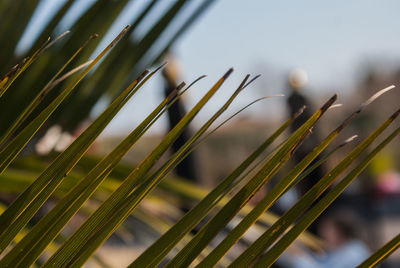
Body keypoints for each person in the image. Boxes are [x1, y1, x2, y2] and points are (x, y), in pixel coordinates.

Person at [277, 209, 370, 268]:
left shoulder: (355, 252)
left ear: (340, 231)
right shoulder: (335, 250)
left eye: (327, 229)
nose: (322, 233)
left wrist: (297, 257)